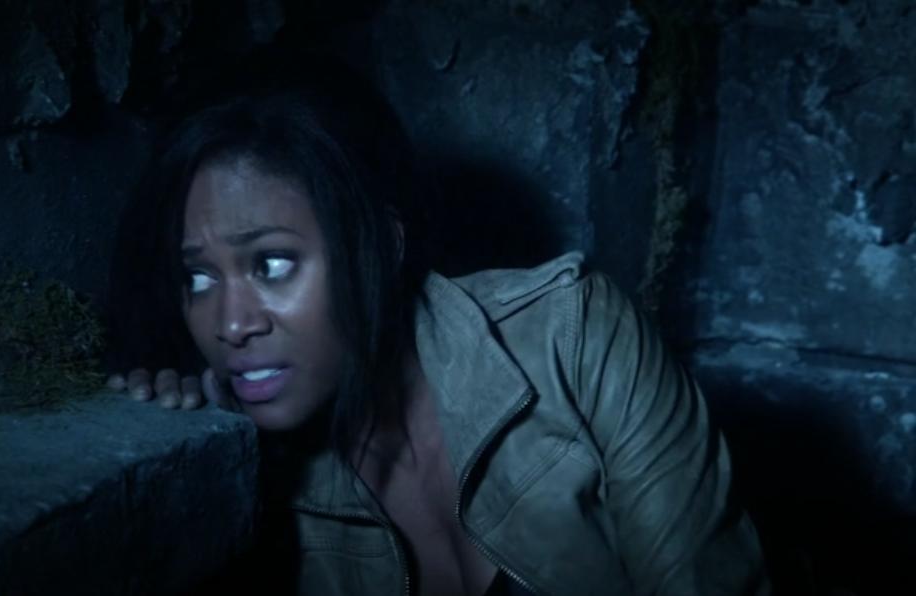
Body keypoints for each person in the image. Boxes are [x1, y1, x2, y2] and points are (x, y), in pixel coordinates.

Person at [106, 55, 768, 595]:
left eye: (272, 264)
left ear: (381, 246)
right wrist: (186, 433)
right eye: (198, 278)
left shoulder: (573, 338)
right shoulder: (265, 474)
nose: (230, 324)